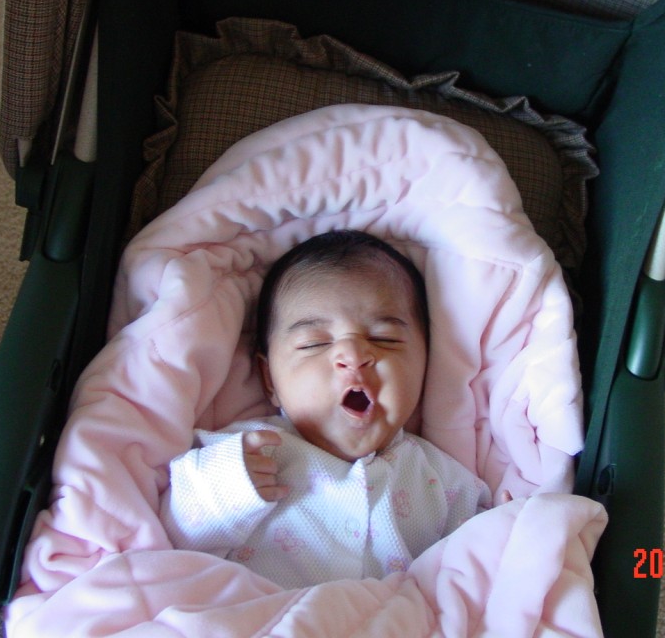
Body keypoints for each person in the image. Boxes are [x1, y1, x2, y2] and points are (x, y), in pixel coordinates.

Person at [160, 230, 493, 588]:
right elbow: (171, 545)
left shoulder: (440, 479)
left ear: (426, 366)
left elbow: (483, 570)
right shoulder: (245, 453)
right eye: (314, 344)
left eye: (384, 339)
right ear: (270, 380)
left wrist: (512, 528)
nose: (353, 355)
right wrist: (224, 487)